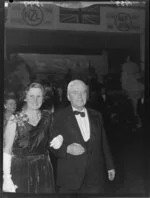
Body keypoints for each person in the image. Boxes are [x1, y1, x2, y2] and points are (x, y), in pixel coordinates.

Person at [51, 80, 115, 194]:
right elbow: (50, 144)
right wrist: (67, 149)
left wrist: (110, 165)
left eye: (83, 92)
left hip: (95, 177)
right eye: (75, 92)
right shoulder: (58, 116)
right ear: (68, 96)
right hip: (70, 177)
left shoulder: (97, 115)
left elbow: (104, 142)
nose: (80, 96)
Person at [3, 82, 63, 193]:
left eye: (39, 96)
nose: (35, 100)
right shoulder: (15, 118)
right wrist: (6, 177)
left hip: (44, 167)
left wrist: (60, 138)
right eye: (31, 96)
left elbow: (54, 135)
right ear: (25, 97)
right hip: (21, 170)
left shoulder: (47, 116)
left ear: (43, 98)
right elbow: (7, 150)